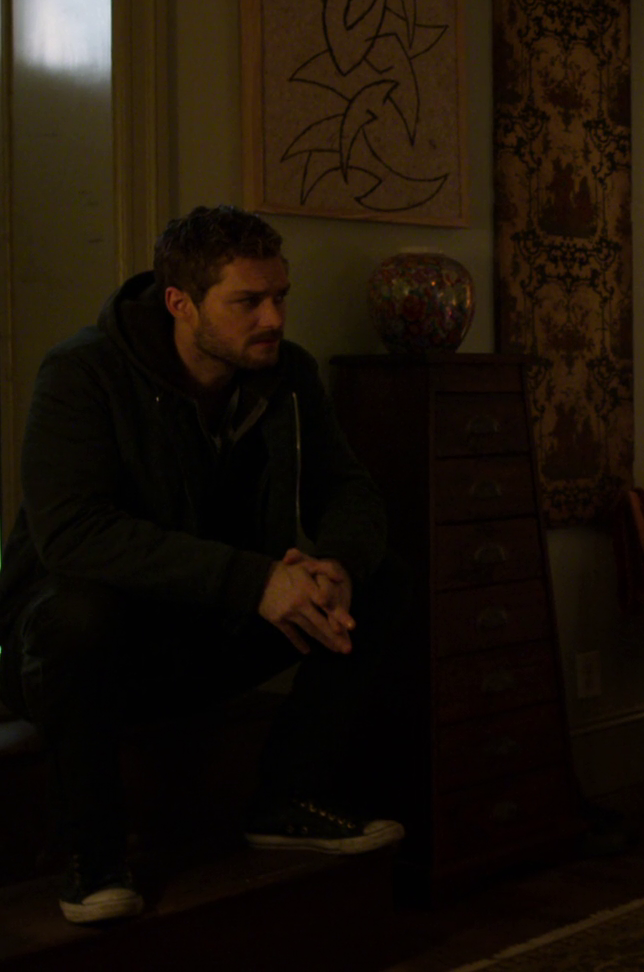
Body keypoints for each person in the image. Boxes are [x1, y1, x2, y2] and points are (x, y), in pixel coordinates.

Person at [0, 206, 403, 925]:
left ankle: (287, 798)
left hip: (201, 629)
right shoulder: (82, 372)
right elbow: (72, 534)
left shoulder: (287, 375)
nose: (273, 318)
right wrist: (257, 581)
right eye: (248, 301)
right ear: (180, 303)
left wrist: (337, 563)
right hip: (76, 652)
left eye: (280, 296)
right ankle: (93, 854)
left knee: (379, 584)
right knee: (79, 611)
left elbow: (349, 489)